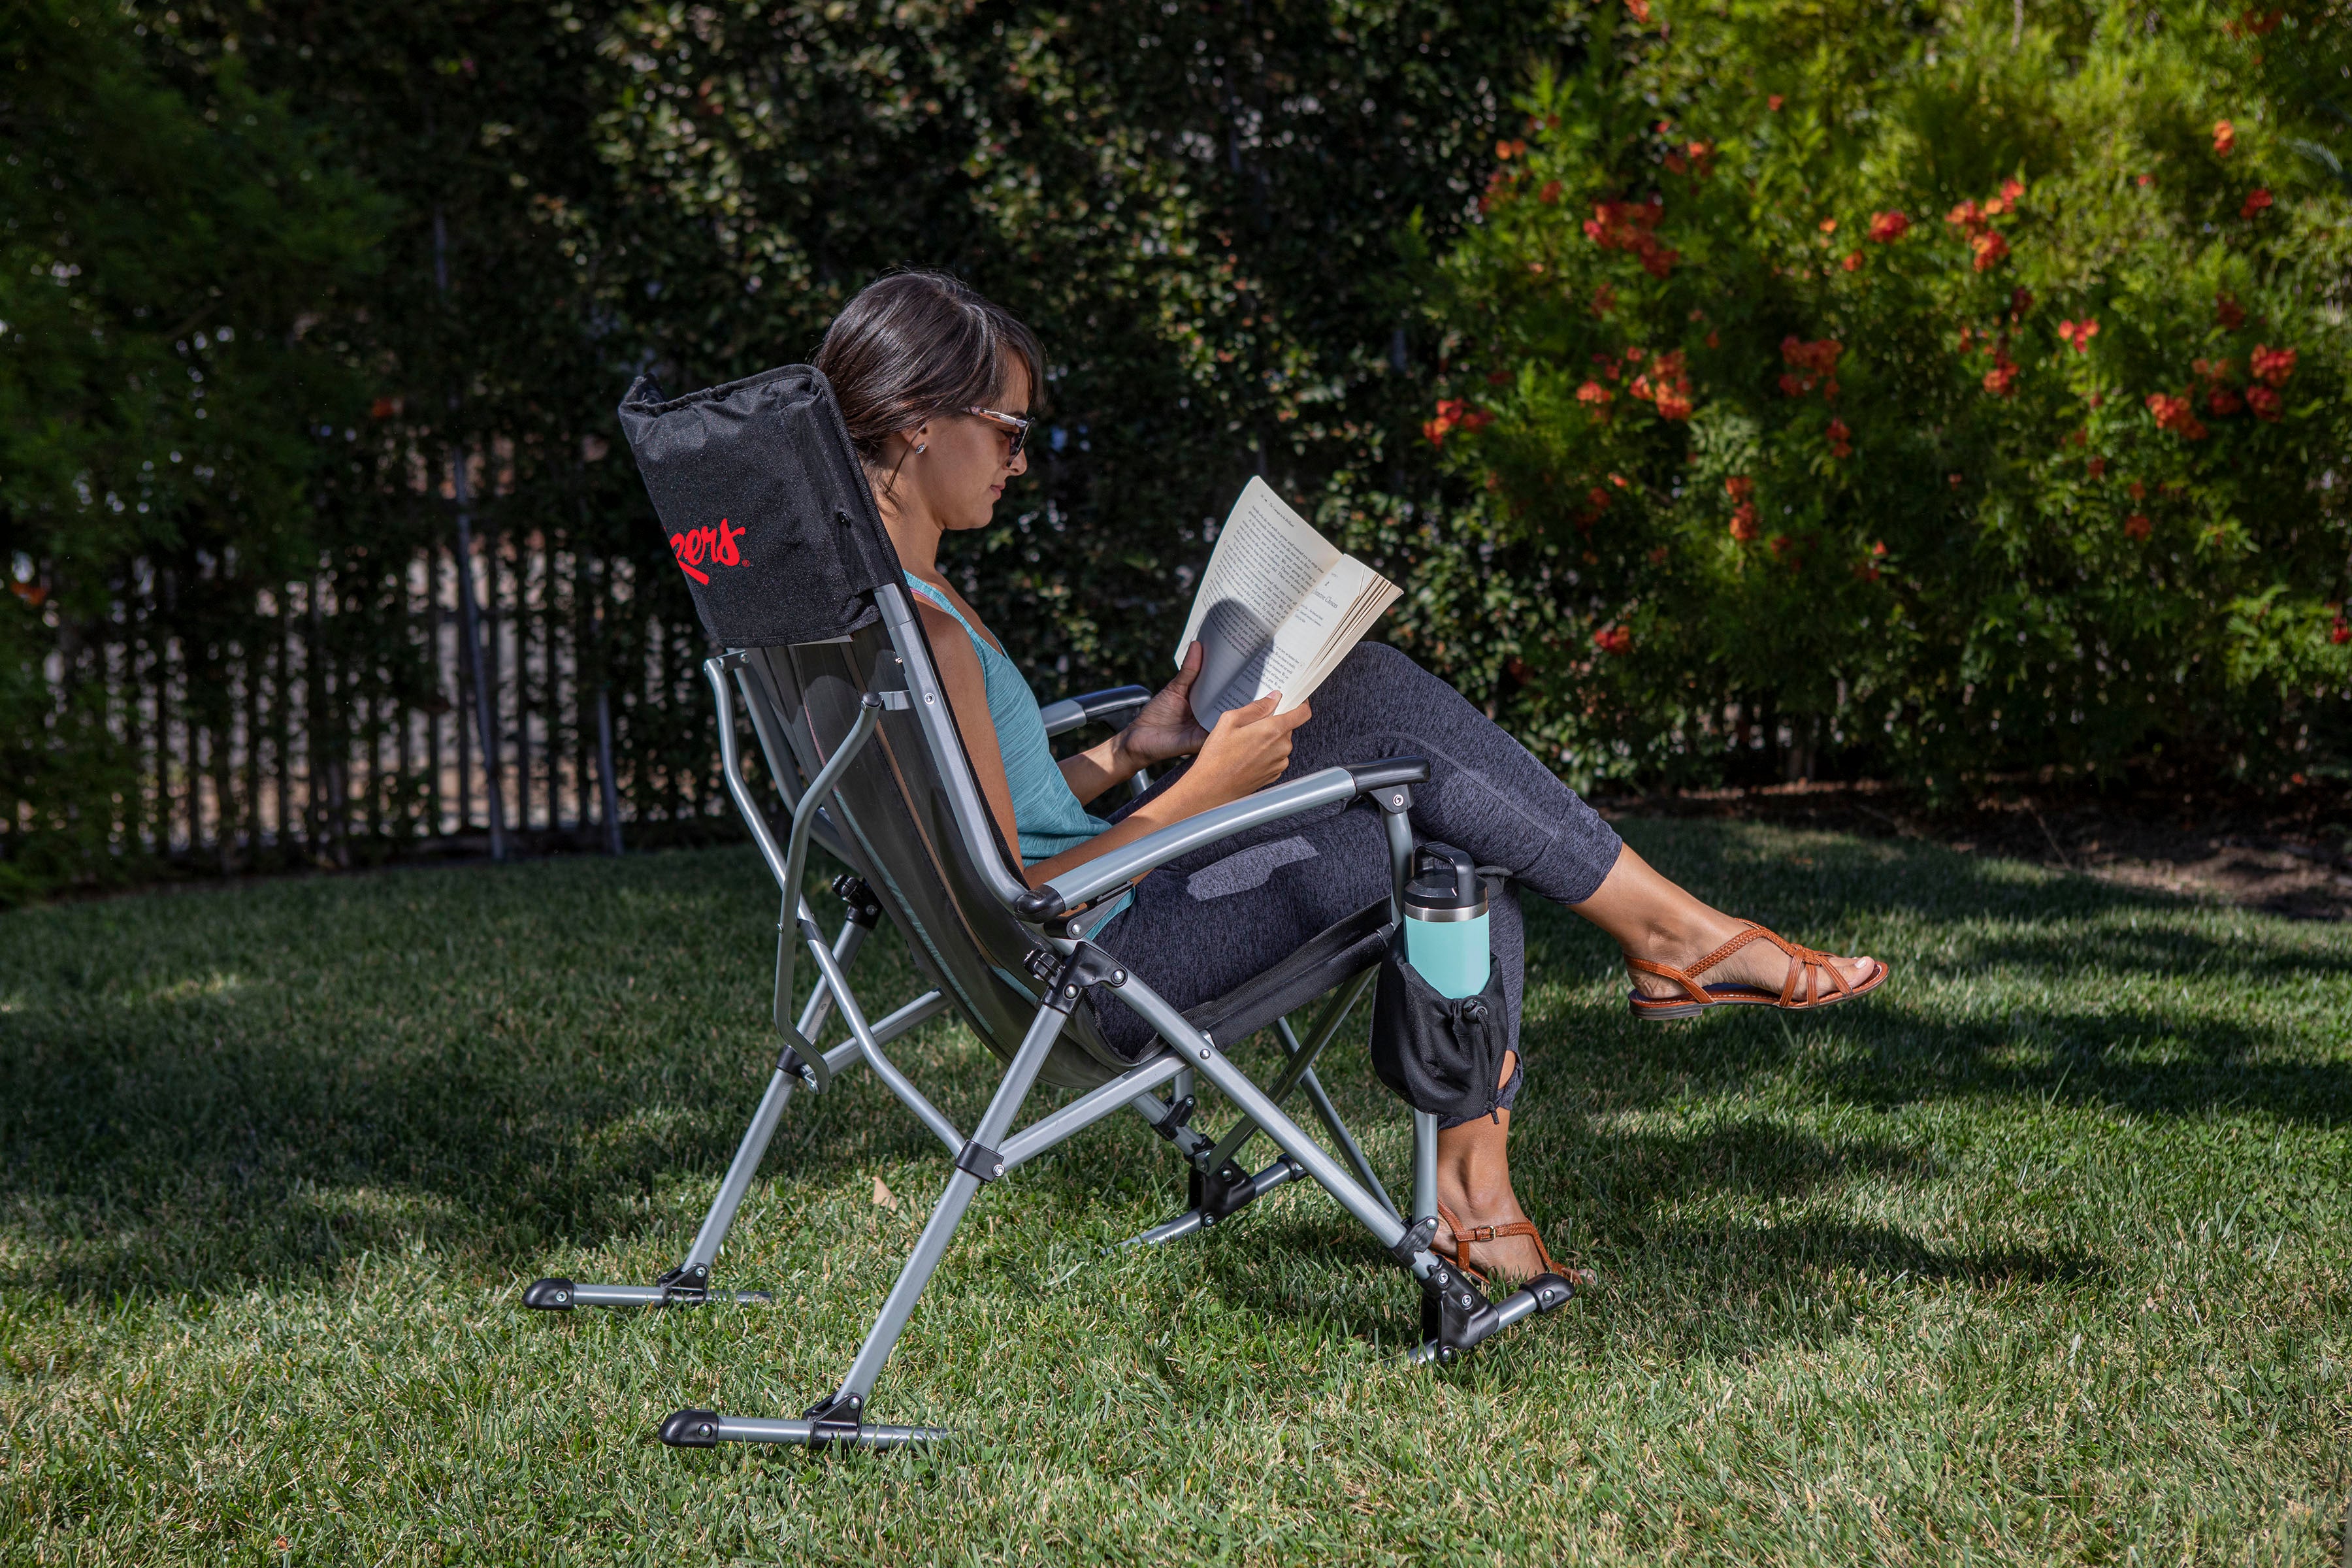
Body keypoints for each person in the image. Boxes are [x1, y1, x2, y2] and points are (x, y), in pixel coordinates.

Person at [815, 271, 1887, 1286]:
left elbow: (991, 819)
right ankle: (1617, 1015)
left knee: (1409, 759)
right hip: (1106, 970)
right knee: (1435, 810)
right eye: (1007, 429)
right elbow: (1016, 897)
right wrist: (1207, 790)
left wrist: (1140, 751)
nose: (1021, 459)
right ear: (918, 421)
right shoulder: (927, 636)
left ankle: (1564, 1087)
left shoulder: (876, 614)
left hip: (1082, 944)